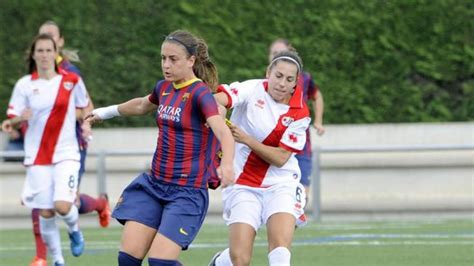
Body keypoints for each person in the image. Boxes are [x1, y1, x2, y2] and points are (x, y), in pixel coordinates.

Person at [85, 30, 235, 266]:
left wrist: (226, 165)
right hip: (154, 185)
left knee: (160, 263)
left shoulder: (200, 94)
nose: (166, 64)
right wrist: (105, 112)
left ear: (191, 61)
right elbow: (141, 106)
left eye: (173, 59)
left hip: (186, 192)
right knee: (127, 259)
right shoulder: (164, 88)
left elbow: (223, 132)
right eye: (163, 58)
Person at [209, 50, 310, 266]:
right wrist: (217, 112)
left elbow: (281, 158)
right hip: (242, 184)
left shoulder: (300, 112)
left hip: (281, 183)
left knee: (281, 254)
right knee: (240, 259)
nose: (282, 83)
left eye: (289, 79)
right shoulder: (252, 88)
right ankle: (220, 262)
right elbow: (218, 100)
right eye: (278, 75)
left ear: (295, 83)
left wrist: (246, 139)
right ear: (268, 73)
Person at [22, 21, 111, 266]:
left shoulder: (70, 74)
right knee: (42, 201)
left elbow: (87, 108)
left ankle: (99, 204)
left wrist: (74, 118)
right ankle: (43, 257)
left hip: (70, 148)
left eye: (51, 39)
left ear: (59, 43)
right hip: (41, 149)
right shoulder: (31, 77)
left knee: (65, 203)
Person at [1, 33, 90, 266]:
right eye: (39, 50)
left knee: (62, 206)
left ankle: (74, 230)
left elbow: (86, 107)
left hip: (66, 153)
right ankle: (58, 260)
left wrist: (87, 123)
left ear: (56, 53)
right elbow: (11, 121)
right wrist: (18, 120)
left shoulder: (71, 80)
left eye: (48, 50)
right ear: (33, 54)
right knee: (46, 212)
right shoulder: (24, 85)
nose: (44, 55)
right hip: (38, 156)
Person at [268, 38, 325, 199]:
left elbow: (317, 96)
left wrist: (318, 120)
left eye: (279, 53)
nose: (282, 83)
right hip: (276, 148)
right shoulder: (267, 82)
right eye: (273, 53)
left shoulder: (304, 79)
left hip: (301, 148)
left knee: (301, 197)